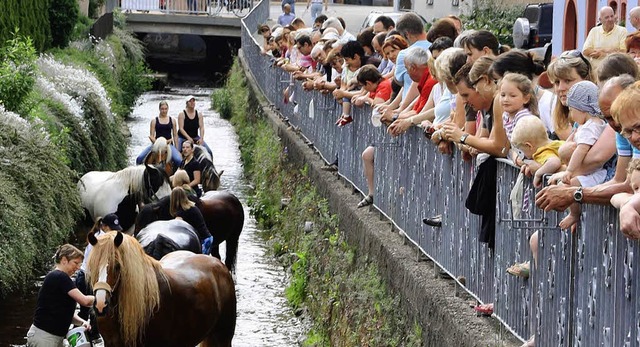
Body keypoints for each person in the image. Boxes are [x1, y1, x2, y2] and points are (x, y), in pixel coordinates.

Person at [548, 81, 608, 229]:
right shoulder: (585, 126)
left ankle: (574, 214)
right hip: (588, 172)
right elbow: (568, 145)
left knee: (567, 186)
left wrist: (569, 171)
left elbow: (581, 149)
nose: (571, 115)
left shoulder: (591, 126)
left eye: (571, 109)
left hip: (595, 174)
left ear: (582, 109)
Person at [26, 244, 95, 347]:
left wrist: (81, 322)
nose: (77, 268)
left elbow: (64, 313)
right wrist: (106, 296)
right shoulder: (60, 276)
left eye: (79, 264)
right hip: (45, 338)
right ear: (64, 260)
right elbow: (85, 301)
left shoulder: (58, 278)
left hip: (52, 337)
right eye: (75, 263)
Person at [74, 213, 123, 342]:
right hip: (87, 277)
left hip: (87, 276)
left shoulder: (101, 238)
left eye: (115, 230)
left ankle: (85, 337)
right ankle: (87, 337)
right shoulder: (101, 240)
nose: (113, 232)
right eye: (111, 228)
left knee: (87, 311)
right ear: (104, 226)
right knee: (92, 311)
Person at [136, 100, 182, 169]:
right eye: (162, 109)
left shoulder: (172, 120)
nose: (164, 111)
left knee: (178, 160)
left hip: (168, 144)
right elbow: (151, 136)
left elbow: (175, 135)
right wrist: (157, 143)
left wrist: (177, 148)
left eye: (166, 109)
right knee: (139, 158)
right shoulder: (154, 121)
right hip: (156, 144)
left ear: (168, 109)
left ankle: (179, 176)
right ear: (159, 109)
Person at [169, 187, 213, 254]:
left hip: (203, 241)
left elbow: (175, 225)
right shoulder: (191, 206)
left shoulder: (182, 212)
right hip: (207, 238)